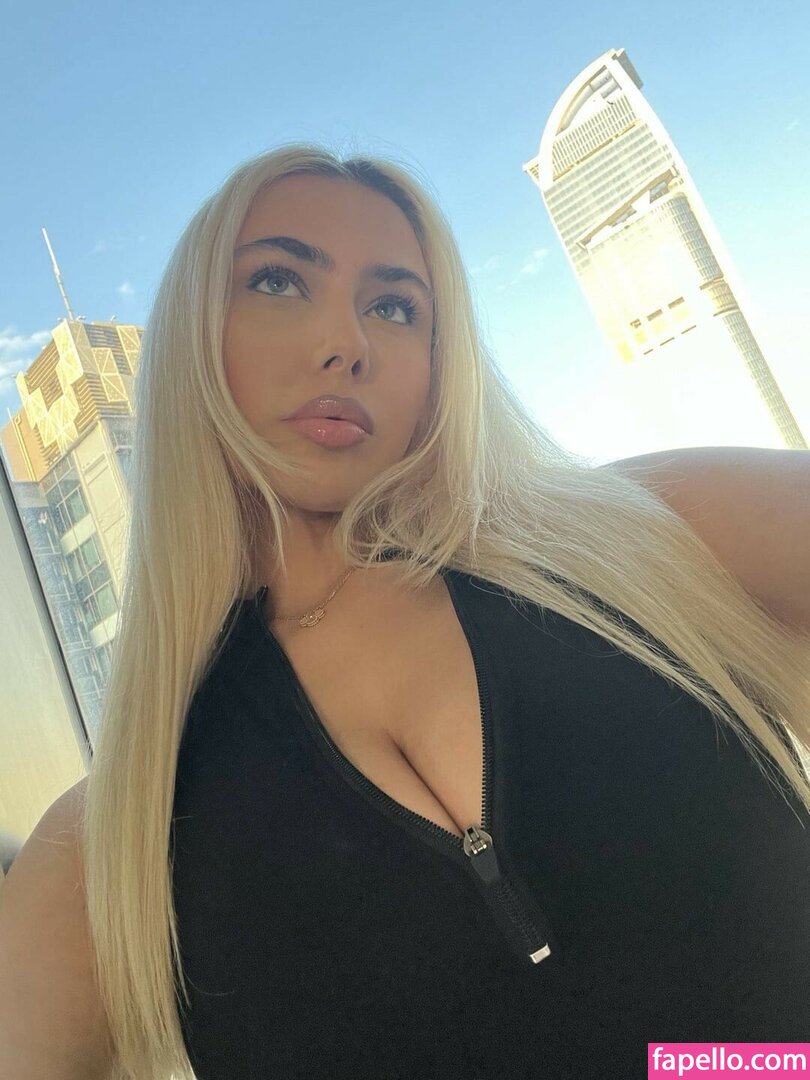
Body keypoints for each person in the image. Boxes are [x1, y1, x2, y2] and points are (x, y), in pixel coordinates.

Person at [1, 143, 808, 1080]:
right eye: (277, 281)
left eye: (394, 306)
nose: (347, 342)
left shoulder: (641, 535)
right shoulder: (115, 840)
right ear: (191, 340)